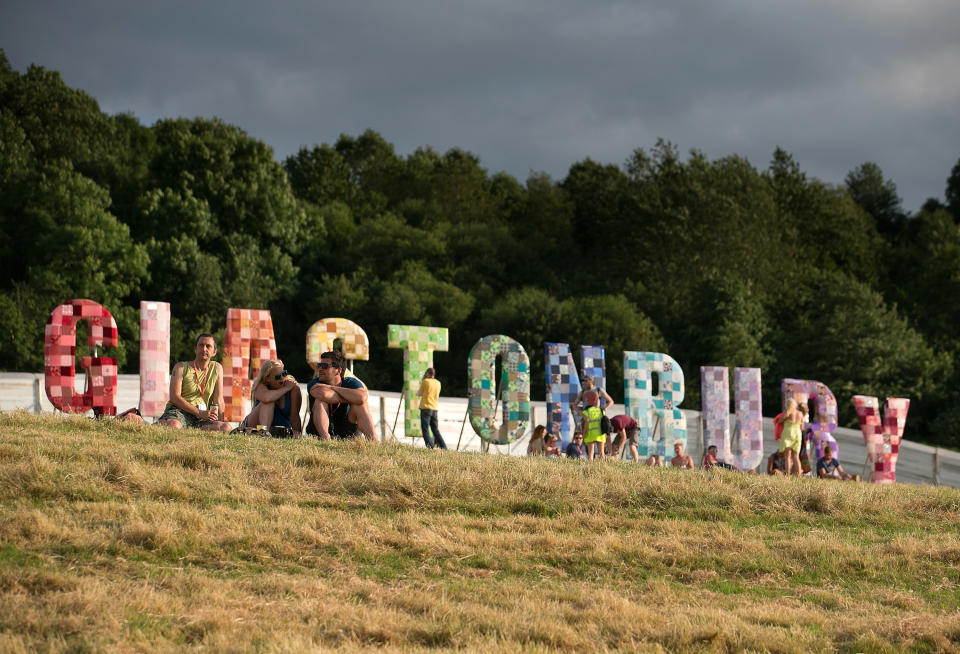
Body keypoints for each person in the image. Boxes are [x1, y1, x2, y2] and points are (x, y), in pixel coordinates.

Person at [157, 333, 230, 431]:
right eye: (201, 345)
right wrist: (199, 412)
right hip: (180, 412)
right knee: (174, 425)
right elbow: (174, 397)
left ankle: (191, 429)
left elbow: (219, 401)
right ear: (195, 349)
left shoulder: (217, 368)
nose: (204, 349)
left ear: (214, 352)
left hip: (202, 417)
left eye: (208, 346)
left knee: (225, 428)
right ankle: (156, 424)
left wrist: (220, 421)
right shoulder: (181, 367)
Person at [306, 350, 376, 441]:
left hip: (346, 430)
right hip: (318, 432)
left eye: (325, 366)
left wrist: (332, 387)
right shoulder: (315, 383)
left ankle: (373, 441)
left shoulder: (350, 382)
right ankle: (325, 441)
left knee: (360, 405)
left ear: (338, 370)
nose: (320, 369)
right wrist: (350, 398)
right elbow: (323, 394)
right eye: (319, 365)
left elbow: (362, 397)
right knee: (320, 401)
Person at [241, 359, 302, 433]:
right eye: (278, 377)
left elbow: (295, 417)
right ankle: (263, 432)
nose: (282, 378)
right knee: (268, 402)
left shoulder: (293, 388)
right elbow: (267, 398)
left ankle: (266, 432)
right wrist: (286, 388)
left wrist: (298, 434)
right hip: (254, 426)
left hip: (280, 429)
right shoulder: (259, 385)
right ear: (267, 379)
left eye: (284, 374)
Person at [415, 367, 447, 449]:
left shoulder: (425, 381)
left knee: (425, 429)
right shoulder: (438, 383)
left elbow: (419, 393)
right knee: (435, 429)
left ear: (427, 374)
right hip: (434, 408)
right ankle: (443, 446)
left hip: (426, 407)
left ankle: (430, 447)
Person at [774, 399, 803, 476]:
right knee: (796, 456)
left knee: (787, 456)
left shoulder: (788, 413)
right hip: (798, 434)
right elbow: (801, 425)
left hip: (788, 433)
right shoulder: (800, 413)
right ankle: (799, 474)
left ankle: (788, 474)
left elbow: (779, 421)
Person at [581, 392, 606, 460]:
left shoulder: (586, 412)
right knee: (601, 453)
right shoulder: (601, 411)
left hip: (591, 434)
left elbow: (586, 422)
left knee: (591, 453)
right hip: (600, 434)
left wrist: (584, 433)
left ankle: (590, 467)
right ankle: (604, 467)